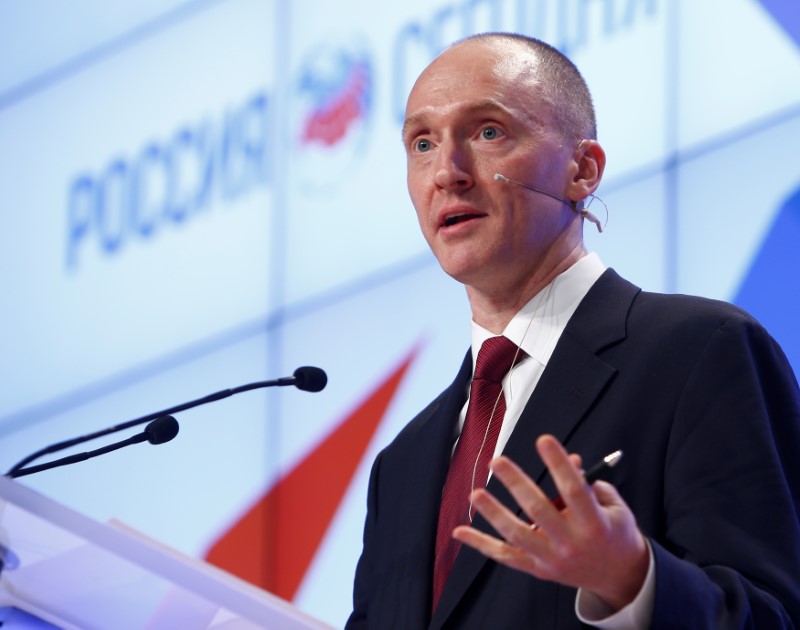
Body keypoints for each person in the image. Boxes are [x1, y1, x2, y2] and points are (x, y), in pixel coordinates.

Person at [346, 32, 800, 629]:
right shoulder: (400, 465)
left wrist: (634, 582)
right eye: (422, 143)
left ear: (582, 170)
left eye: (488, 132)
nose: (447, 173)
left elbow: (774, 615)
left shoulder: (699, 352)